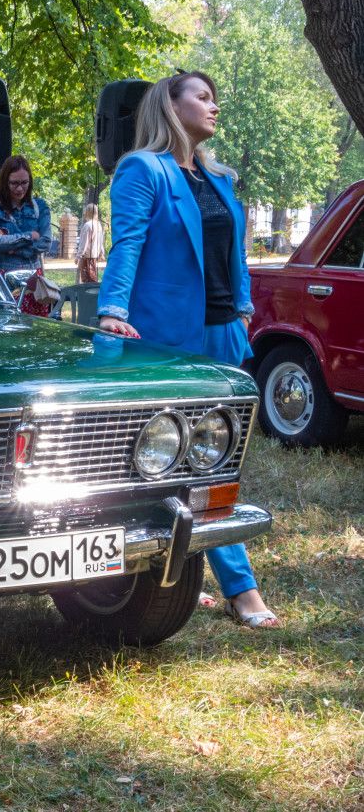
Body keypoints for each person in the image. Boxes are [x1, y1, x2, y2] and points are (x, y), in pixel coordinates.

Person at [96, 70, 277, 629]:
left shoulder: (220, 178)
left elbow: (234, 253)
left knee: (215, 457)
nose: (213, 106)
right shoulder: (140, 169)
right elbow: (126, 246)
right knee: (191, 461)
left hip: (222, 332)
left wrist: (243, 306)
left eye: (215, 97)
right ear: (169, 105)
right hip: (167, 337)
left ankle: (180, 567)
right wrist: (111, 314)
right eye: (202, 96)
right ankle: (240, 588)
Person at [0, 155, 52, 275]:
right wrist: (31, 235)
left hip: (33, 279)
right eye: (14, 183)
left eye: (24, 182)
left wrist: (13, 248)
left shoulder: (40, 206)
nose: (20, 189)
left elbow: (46, 242)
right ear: (5, 182)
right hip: (2, 278)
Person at [75, 203, 104, 283]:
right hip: (94, 255)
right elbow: (100, 241)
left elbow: (84, 243)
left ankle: (94, 294)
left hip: (87, 256)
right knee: (92, 277)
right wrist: (102, 253)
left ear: (87, 212)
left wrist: (78, 256)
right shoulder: (98, 225)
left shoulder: (88, 225)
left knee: (89, 279)